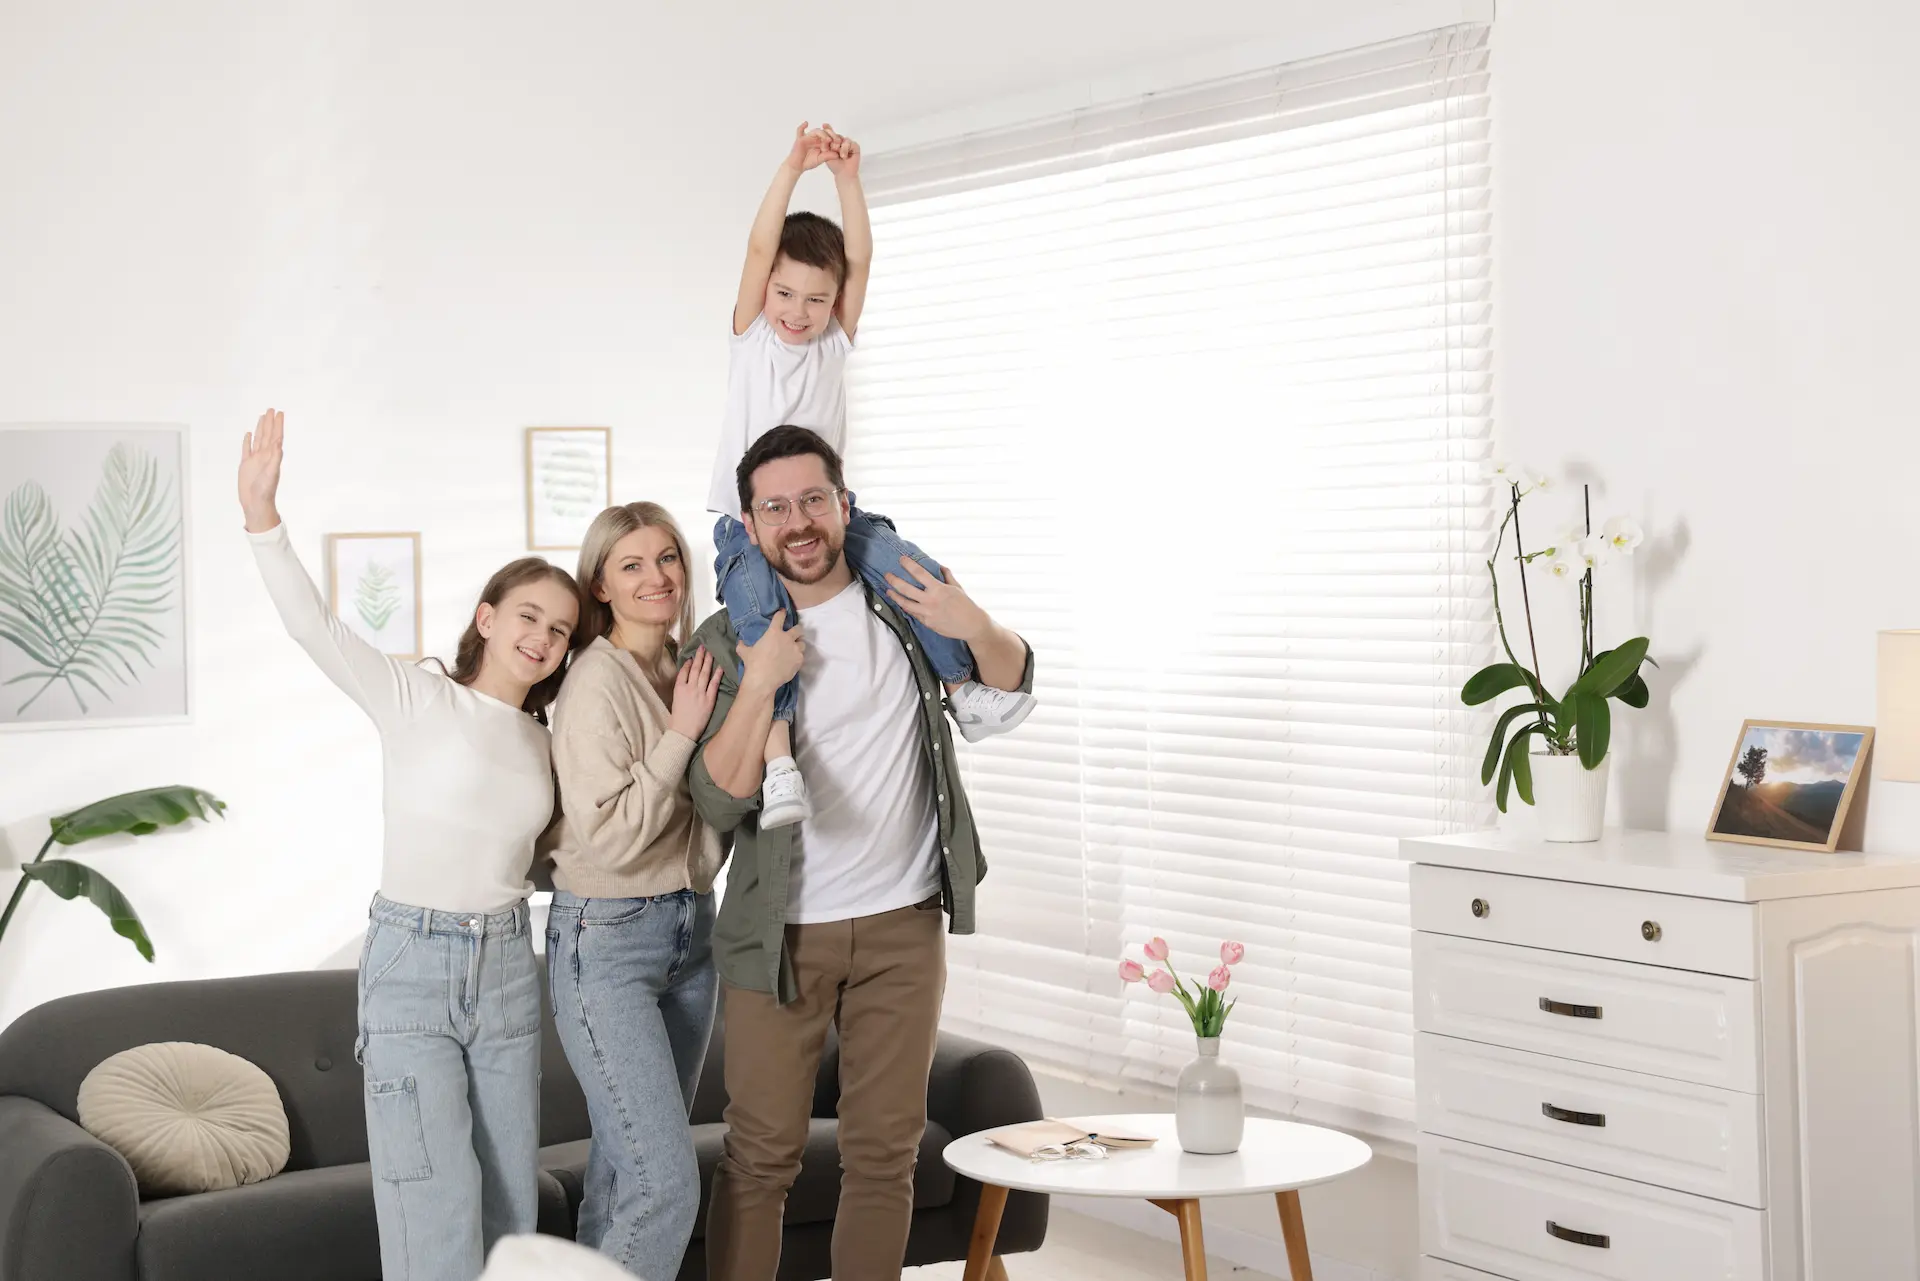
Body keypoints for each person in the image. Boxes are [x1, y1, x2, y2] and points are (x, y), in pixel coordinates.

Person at [238, 409, 582, 1281]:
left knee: (511, 1208)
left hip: (507, 969)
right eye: (529, 616)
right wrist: (261, 516)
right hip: (412, 969)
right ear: (488, 615)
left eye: (560, 630)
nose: (542, 637)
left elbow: (545, 859)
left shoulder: (548, 743)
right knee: (429, 1201)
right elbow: (313, 625)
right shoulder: (416, 697)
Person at [688, 426, 1036, 1281]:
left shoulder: (904, 604)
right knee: (761, 1158)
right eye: (776, 507)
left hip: (902, 925)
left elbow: (1010, 693)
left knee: (886, 1157)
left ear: (843, 504)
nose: (797, 521)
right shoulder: (730, 634)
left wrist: (974, 619)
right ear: (750, 520)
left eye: (813, 499)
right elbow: (717, 797)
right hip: (782, 936)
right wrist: (762, 678)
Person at [709, 123, 1035, 830]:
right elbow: (761, 244)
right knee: (763, 621)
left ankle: (960, 685)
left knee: (905, 567)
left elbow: (859, 255)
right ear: (766, 290)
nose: (798, 312)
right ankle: (779, 758)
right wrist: (796, 166)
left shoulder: (832, 345)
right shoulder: (752, 341)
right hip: (750, 524)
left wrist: (848, 182)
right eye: (786, 294)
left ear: (834, 304)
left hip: (834, 516)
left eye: (815, 299)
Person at [542, 502, 723, 1280]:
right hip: (607, 941)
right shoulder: (594, 684)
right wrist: (682, 733)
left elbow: (717, 803)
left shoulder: (689, 663)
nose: (659, 578)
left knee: (621, 1173)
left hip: (693, 932)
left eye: (668, 558)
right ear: (601, 587)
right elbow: (612, 838)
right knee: (663, 1183)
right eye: (632, 565)